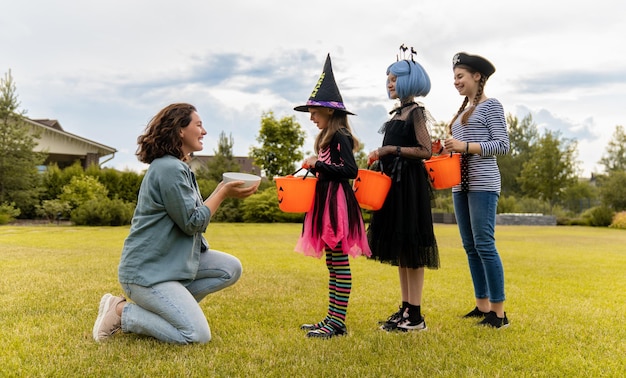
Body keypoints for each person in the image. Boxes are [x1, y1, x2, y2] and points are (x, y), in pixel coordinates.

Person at [92, 103, 259, 344]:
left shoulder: (177, 166)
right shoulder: (168, 168)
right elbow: (192, 222)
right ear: (180, 130)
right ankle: (121, 312)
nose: (204, 131)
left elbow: (192, 216)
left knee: (230, 268)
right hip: (147, 273)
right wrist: (222, 192)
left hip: (169, 264)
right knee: (196, 336)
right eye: (198, 125)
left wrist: (221, 191)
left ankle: (169, 312)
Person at [293, 54, 371, 339]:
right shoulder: (326, 136)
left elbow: (350, 170)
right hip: (325, 201)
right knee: (332, 263)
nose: (311, 117)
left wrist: (318, 164)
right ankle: (331, 318)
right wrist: (315, 169)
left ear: (329, 112)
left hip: (338, 204)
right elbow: (331, 170)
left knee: (340, 263)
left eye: (314, 112)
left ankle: (337, 322)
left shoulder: (339, 137)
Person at [367, 47, 440, 332]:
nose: (389, 83)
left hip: (410, 187)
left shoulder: (416, 113)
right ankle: (406, 308)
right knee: (401, 251)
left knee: (413, 249)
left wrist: (389, 148)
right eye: (388, 78)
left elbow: (424, 151)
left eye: (394, 78)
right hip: (394, 186)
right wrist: (381, 159)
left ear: (409, 81)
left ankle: (416, 316)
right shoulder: (398, 112)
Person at [442, 52, 510, 328]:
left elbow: (502, 145)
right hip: (460, 185)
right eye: (454, 77)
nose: (456, 82)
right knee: (470, 247)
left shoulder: (491, 105)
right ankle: (482, 306)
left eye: (460, 76)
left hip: (483, 184)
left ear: (477, 76)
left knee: (484, 245)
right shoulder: (462, 112)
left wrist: (465, 147)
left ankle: (499, 313)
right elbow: (461, 146)